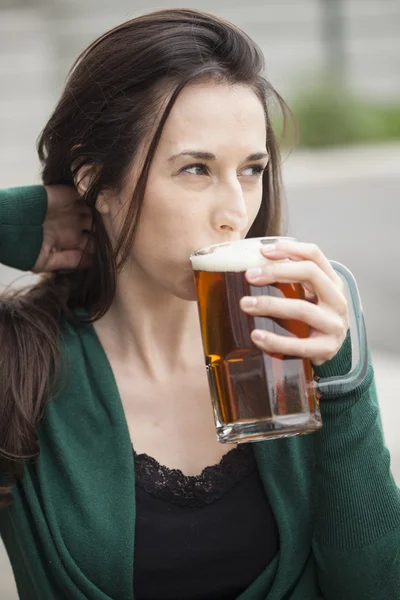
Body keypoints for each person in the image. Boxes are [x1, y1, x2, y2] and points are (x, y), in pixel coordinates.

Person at [0, 8, 399, 600]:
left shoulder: (296, 331)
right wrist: (28, 220)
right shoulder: (22, 361)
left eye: (252, 169)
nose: (235, 211)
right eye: (195, 169)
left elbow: (374, 586)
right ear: (96, 179)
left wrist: (343, 379)